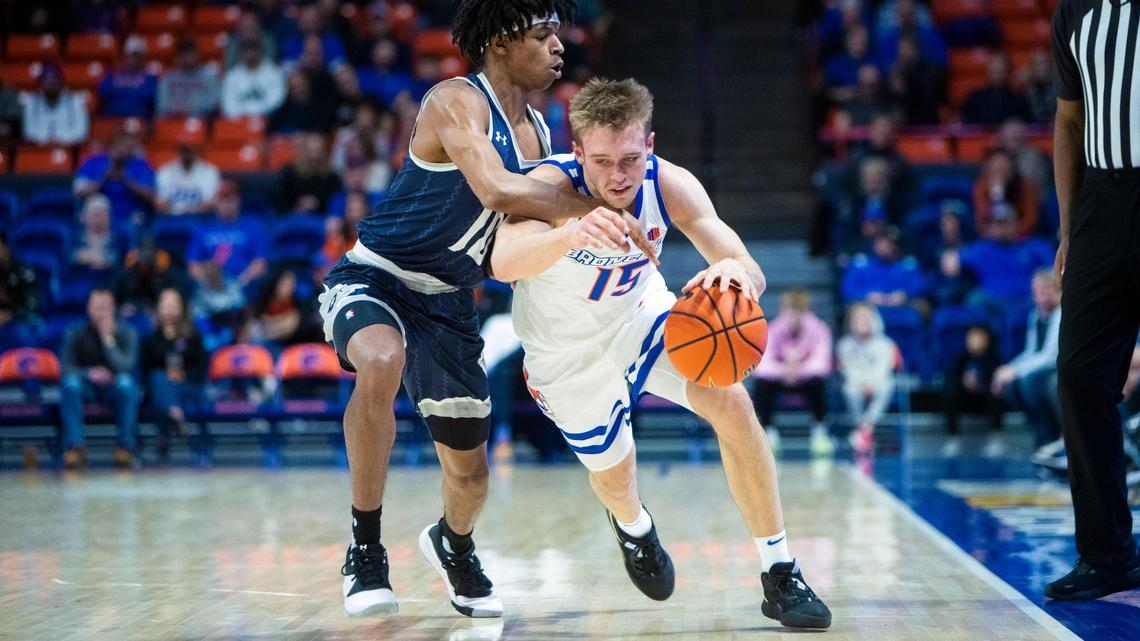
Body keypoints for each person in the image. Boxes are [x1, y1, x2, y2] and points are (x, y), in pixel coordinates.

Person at [316, 0, 656, 620]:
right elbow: (498, 188)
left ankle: (455, 545)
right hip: (378, 277)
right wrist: (590, 210)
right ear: (500, 40)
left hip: (448, 301)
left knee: (470, 476)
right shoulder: (455, 100)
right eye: (545, 34)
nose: (560, 47)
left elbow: (527, 232)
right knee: (381, 358)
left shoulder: (541, 132)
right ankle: (365, 549)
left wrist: (611, 237)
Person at [490, 77, 832, 629]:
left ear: (648, 144)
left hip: (641, 316)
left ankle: (779, 571)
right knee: (617, 480)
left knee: (734, 404)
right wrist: (571, 233)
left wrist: (734, 273)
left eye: (630, 157)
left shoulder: (668, 182)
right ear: (578, 152)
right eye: (602, 161)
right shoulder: (546, 184)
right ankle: (634, 529)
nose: (618, 175)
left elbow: (752, 270)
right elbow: (503, 262)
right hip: (565, 354)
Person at [60, 289, 140, 470]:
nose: (101, 313)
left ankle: (125, 447)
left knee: (127, 384)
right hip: (85, 386)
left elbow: (127, 366)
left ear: (114, 309)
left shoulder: (127, 332)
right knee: (70, 384)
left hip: (114, 387)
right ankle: (75, 448)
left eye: (106, 308)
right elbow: (65, 367)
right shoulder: (75, 332)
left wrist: (108, 340)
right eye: (97, 308)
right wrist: (89, 373)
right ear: (88, 309)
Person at [751, 291, 833, 456]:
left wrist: (799, 369)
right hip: (780, 377)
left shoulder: (820, 330)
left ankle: (820, 431)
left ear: (807, 312)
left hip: (806, 379)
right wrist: (783, 369)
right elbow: (761, 366)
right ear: (783, 310)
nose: (793, 316)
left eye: (799, 311)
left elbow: (822, 364)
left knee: (818, 382)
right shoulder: (772, 329)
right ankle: (769, 432)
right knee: (762, 384)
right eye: (789, 310)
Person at [992, 270, 1062, 461]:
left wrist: (1015, 371)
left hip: (1060, 369)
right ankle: (1042, 436)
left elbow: (1051, 356)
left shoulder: (1061, 313)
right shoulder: (1036, 316)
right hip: (1042, 370)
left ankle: (1057, 436)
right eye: (1037, 290)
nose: (1041, 295)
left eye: (1046, 289)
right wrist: (1006, 370)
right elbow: (1031, 352)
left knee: (1032, 382)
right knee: (1015, 384)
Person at [142, 288, 207, 462]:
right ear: (158, 308)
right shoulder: (150, 339)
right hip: (160, 387)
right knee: (158, 378)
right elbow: (144, 370)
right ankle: (175, 414)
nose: (169, 308)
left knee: (161, 390)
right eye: (165, 304)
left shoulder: (193, 337)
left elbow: (201, 370)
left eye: (173, 304)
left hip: (187, 387)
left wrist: (183, 375)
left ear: (181, 308)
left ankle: (164, 435)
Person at [837, 302, 896, 455]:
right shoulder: (844, 345)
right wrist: (861, 383)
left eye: (865, 318)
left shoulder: (885, 344)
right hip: (856, 384)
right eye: (857, 319)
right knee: (849, 389)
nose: (861, 323)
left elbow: (884, 369)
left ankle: (865, 428)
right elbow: (848, 371)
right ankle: (863, 429)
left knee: (887, 386)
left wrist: (872, 383)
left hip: (877, 383)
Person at [187, 180, 268, 290]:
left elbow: (260, 263)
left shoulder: (253, 227)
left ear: (238, 201)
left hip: (243, 286)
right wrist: (207, 282)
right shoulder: (203, 229)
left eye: (231, 200)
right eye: (223, 201)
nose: (227, 205)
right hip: (210, 286)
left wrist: (242, 282)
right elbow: (193, 264)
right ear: (216, 202)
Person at [942, 325, 1004, 457]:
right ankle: (953, 436)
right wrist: (964, 382)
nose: (975, 340)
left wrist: (981, 383)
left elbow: (996, 376)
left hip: (985, 398)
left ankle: (996, 435)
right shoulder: (960, 358)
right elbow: (952, 375)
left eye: (978, 337)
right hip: (965, 398)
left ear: (986, 340)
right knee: (950, 388)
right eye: (972, 337)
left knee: (997, 388)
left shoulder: (993, 358)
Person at [74, 130, 156, 223]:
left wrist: (126, 180)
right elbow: (80, 192)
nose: (127, 149)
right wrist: (104, 179)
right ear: (113, 145)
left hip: (131, 217)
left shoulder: (141, 165)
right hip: (98, 217)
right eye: (123, 144)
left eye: (130, 146)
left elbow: (151, 195)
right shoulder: (92, 163)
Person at [972, 149, 1040, 240]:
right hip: (991, 238)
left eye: (1003, 169)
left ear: (1011, 170)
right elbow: (981, 221)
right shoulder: (981, 188)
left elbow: (1031, 219)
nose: (1000, 174)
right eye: (996, 170)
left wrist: (1012, 231)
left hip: (1020, 239)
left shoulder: (1025, 187)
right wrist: (996, 194)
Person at [21, 63, 89, 146]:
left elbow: (81, 132)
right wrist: (46, 141)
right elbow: (28, 132)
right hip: (39, 149)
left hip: (70, 149)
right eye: (47, 79)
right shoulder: (31, 102)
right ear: (40, 82)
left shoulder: (76, 100)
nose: (51, 82)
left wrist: (60, 141)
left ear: (61, 81)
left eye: (55, 78)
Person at [274, 132, 342, 213]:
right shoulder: (290, 172)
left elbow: (334, 200)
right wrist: (297, 205)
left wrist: (317, 203)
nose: (314, 155)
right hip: (293, 213)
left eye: (318, 151)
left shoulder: (331, 176)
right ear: (304, 152)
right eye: (311, 151)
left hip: (321, 216)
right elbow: (281, 197)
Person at [221, 37, 287, 118]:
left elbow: (277, 100)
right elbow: (228, 105)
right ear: (240, 53)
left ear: (261, 50)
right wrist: (245, 115)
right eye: (246, 49)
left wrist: (255, 112)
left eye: (253, 49)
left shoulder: (274, 73)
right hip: (239, 122)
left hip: (269, 120)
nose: (250, 53)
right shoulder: (232, 76)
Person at [961, 52, 1032, 125]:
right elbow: (966, 127)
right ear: (988, 69)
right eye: (993, 67)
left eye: (1000, 68)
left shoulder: (1019, 101)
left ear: (1008, 71)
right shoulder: (974, 98)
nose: (996, 70)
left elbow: (1028, 126)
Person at [156, 138, 221, 216]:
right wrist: (181, 211)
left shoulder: (210, 171)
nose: (187, 154)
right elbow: (161, 203)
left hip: (200, 219)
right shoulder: (165, 171)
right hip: (171, 219)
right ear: (178, 150)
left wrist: (182, 210)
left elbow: (209, 203)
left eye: (190, 150)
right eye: (184, 150)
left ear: (197, 150)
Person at [157, 38, 220, 117]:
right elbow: (162, 106)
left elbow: (214, 104)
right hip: (173, 122)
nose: (188, 57)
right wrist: (175, 111)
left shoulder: (209, 77)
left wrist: (190, 110)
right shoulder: (168, 78)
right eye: (184, 54)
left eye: (191, 53)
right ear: (178, 56)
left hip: (201, 122)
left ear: (197, 54)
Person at [99, 35, 159, 118]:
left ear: (143, 58)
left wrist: (120, 91)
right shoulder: (111, 76)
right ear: (124, 57)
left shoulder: (150, 78)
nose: (132, 60)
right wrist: (133, 92)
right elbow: (103, 91)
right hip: (113, 120)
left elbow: (148, 95)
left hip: (140, 121)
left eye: (136, 56)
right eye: (129, 56)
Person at [72, 194, 121, 271]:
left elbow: (120, 261)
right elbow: (69, 259)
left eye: (102, 215)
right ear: (84, 217)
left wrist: (88, 258)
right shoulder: (74, 239)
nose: (97, 218)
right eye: (94, 214)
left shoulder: (119, 240)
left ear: (109, 217)